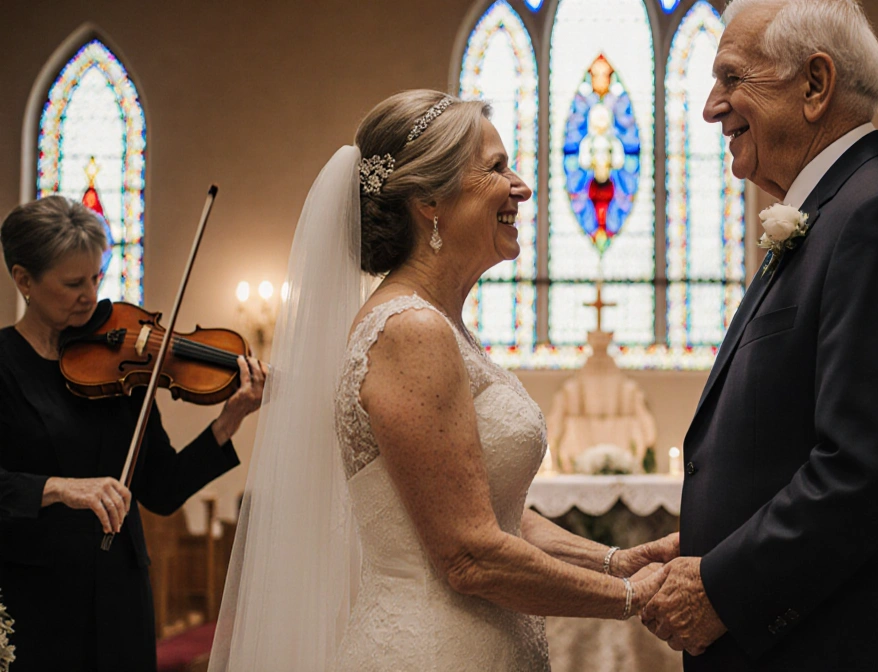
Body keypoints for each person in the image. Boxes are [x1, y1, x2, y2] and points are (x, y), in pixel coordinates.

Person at [209, 90, 678, 672]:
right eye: (497, 168)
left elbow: (492, 511)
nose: (521, 186)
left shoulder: (442, 324)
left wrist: (616, 561)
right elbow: (469, 553)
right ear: (429, 200)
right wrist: (634, 599)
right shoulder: (411, 331)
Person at [638, 0, 878, 670]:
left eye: (732, 78)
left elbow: (864, 469)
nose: (713, 106)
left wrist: (723, 583)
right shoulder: (838, 212)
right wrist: (713, 540)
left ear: (814, 84)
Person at [0, 195, 265, 671]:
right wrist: (57, 489)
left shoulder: (120, 367)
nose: (91, 294)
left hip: (121, 601)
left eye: (97, 278)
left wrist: (230, 419)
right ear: (24, 280)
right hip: (37, 604)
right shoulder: (2, 365)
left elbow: (162, 489)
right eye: (73, 283)